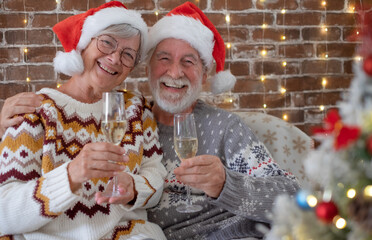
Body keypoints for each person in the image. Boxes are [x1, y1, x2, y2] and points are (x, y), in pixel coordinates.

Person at [0, 2, 300, 239]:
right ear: (148, 68)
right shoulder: (125, 112)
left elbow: (294, 201)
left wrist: (226, 184)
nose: (174, 72)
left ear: (205, 75)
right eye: (164, 59)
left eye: (189, 61)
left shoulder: (221, 128)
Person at [0, 2, 166, 240]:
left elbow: (156, 174)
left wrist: (134, 187)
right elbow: (4, 213)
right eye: (107, 42)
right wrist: (70, 175)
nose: (115, 58)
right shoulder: (36, 110)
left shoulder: (135, 110)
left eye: (128, 54)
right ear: (84, 43)